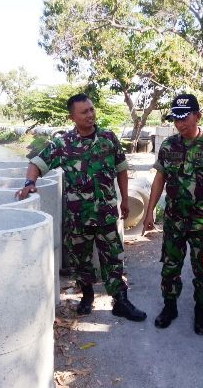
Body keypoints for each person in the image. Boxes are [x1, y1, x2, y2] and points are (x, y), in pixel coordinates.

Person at [17, 93, 146, 322]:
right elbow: (36, 164)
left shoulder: (108, 138)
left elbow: (121, 168)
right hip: (78, 218)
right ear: (72, 117)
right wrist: (29, 183)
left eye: (91, 109)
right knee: (81, 260)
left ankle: (120, 300)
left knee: (113, 258)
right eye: (84, 112)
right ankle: (87, 296)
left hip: (106, 213)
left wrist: (124, 199)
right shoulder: (63, 144)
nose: (90, 114)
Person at [142, 93, 203, 335]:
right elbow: (159, 179)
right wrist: (149, 211)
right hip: (174, 220)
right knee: (170, 266)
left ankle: (201, 310)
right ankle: (170, 307)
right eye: (175, 119)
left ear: (197, 116)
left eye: (184, 117)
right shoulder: (169, 146)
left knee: (202, 268)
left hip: (202, 221)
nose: (179, 123)